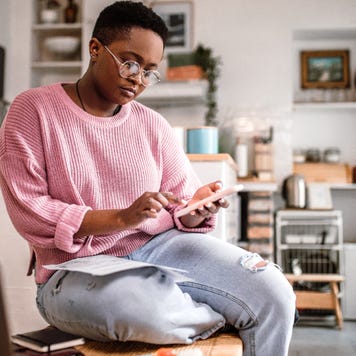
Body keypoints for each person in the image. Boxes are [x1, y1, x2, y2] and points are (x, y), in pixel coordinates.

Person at [0, 2, 296, 355]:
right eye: (130, 62)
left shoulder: (152, 124)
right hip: (72, 269)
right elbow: (30, 210)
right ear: (95, 49)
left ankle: (210, 308)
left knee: (274, 293)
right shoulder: (32, 109)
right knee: (139, 308)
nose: (138, 78)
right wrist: (122, 218)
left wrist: (196, 209)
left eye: (150, 71)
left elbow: (180, 206)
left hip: (160, 249)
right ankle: (227, 313)